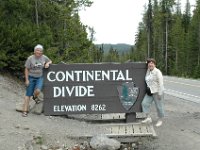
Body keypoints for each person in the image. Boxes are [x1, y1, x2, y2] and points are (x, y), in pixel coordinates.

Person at [22, 44, 52, 117]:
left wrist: (47, 63)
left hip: (40, 77)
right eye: (37, 50)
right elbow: (26, 69)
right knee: (28, 94)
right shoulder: (30, 58)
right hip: (31, 77)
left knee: (38, 90)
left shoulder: (44, 57)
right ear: (34, 51)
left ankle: (35, 97)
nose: (39, 52)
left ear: (42, 52)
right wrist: (26, 80)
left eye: (40, 51)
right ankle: (25, 111)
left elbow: (50, 61)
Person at [141, 58, 165, 127]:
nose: (150, 64)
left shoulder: (157, 72)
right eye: (149, 63)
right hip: (150, 92)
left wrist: (160, 94)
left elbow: (161, 84)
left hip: (157, 92)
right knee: (144, 103)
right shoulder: (148, 71)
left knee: (159, 107)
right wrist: (146, 62)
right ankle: (148, 118)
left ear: (155, 64)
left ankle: (160, 120)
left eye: (152, 63)